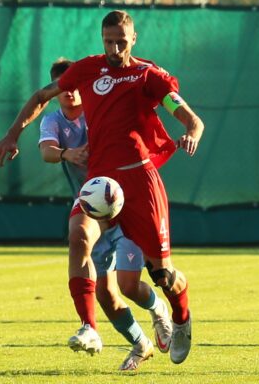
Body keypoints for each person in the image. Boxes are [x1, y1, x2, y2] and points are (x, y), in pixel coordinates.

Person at [0, 10, 204, 365]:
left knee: (164, 277)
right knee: (77, 233)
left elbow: (188, 117)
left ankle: (181, 318)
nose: (115, 47)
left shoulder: (146, 75)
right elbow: (43, 94)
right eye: (109, 41)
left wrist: (191, 133)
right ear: (102, 39)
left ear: (133, 39)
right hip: (101, 183)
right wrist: (14, 132)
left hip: (140, 182)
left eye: (122, 41)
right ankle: (88, 326)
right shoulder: (88, 69)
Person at [37, 58, 172, 370]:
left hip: (124, 206)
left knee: (128, 286)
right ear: (56, 91)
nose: (69, 93)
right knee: (106, 296)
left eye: (73, 87)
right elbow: (45, 151)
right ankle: (140, 343)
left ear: (84, 87)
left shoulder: (102, 111)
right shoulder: (53, 122)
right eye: (63, 89)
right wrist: (64, 153)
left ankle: (158, 310)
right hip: (93, 212)